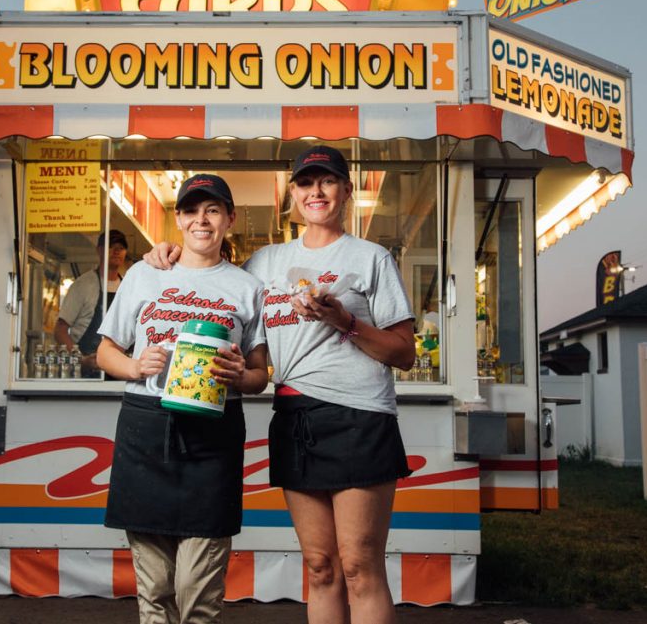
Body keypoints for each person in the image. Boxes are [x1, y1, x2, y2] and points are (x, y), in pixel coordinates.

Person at [144, 146, 416, 624]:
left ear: (346, 191)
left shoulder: (372, 258)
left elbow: (404, 353)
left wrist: (345, 321)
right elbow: (209, 273)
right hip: (292, 416)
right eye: (306, 183)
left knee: (358, 568)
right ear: (292, 193)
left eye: (327, 181)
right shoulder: (264, 262)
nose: (316, 191)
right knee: (319, 566)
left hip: (359, 415)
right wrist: (163, 253)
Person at [96, 174, 270, 624]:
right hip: (146, 429)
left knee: (198, 592)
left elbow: (259, 377)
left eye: (212, 210)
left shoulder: (247, 287)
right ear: (178, 219)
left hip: (213, 433)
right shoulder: (144, 273)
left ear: (229, 219)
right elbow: (105, 350)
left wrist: (241, 376)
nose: (202, 220)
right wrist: (135, 366)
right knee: (153, 589)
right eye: (192, 211)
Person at [55, 228, 129, 375]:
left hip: (118, 370)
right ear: (99, 250)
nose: (116, 251)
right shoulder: (84, 284)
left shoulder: (128, 288)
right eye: (111, 246)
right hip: (85, 373)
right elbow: (60, 330)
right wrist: (81, 360)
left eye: (121, 248)